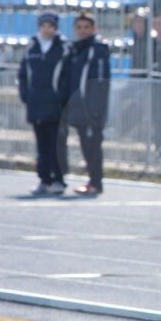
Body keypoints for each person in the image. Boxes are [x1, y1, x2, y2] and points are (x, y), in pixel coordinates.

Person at [18, 12, 70, 196]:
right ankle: (44, 179)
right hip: (37, 104)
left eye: (50, 26)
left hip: (56, 106)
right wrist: (26, 96)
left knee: (56, 144)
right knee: (41, 145)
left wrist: (62, 98)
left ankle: (58, 179)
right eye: (44, 25)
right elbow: (23, 75)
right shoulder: (31, 48)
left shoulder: (63, 49)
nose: (46, 29)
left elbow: (67, 77)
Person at [62, 12, 111, 197]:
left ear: (94, 28)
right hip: (78, 107)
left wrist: (95, 110)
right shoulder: (76, 49)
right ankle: (92, 181)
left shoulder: (96, 49)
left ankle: (96, 183)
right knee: (86, 145)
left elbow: (99, 82)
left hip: (91, 110)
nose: (83, 31)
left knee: (92, 146)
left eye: (86, 27)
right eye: (79, 27)